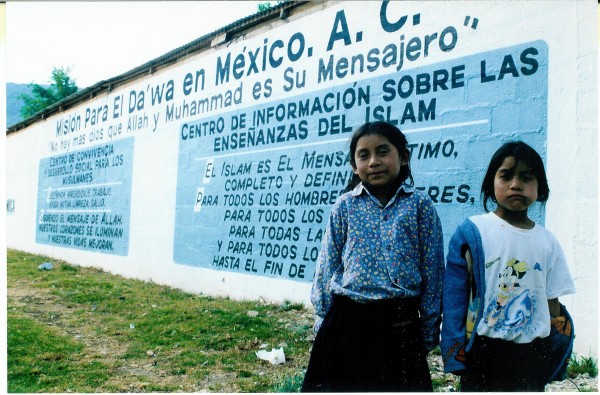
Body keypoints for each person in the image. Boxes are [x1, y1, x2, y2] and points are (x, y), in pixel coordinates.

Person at [301, 121, 444, 392]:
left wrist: (427, 329)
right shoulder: (345, 206)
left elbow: (433, 271)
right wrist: (322, 322)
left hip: (400, 324)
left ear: (403, 157)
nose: (374, 161)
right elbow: (327, 264)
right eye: (363, 155)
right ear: (354, 166)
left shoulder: (420, 206)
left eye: (382, 152)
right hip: (346, 323)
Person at [441, 141, 576, 392]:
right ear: (491, 183)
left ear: (540, 188)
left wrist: (557, 353)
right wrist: (454, 353)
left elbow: (553, 304)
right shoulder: (472, 232)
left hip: (532, 352)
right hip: (483, 350)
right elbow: (454, 298)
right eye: (506, 176)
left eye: (527, 177)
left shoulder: (548, 241)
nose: (516, 184)